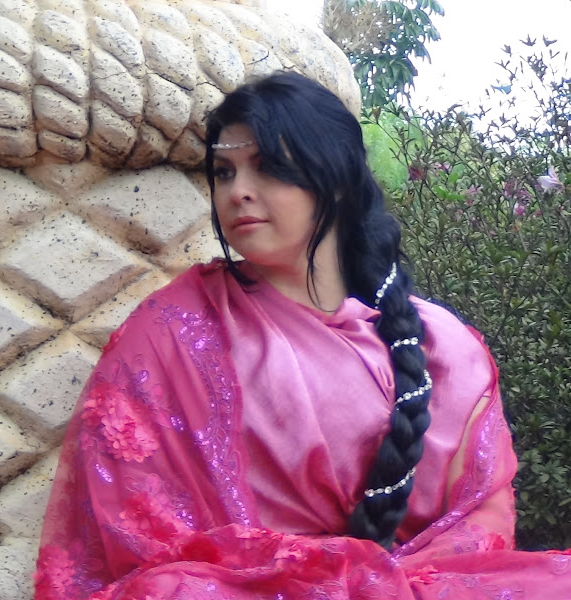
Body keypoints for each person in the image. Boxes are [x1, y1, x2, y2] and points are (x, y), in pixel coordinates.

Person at [34, 72, 571, 599]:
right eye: (223, 172)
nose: (238, 192)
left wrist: (376, 588)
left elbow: (483, 518)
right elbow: (134, 530)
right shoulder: (174, 329)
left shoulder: (444, 347)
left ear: (336, 178)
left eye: (268, 167)